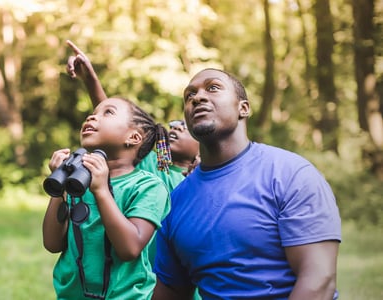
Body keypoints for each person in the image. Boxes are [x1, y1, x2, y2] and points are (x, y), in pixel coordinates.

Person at [152, 68, 342, 300]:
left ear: (244, 108)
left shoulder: (290, 174)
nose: (197, 97)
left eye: (213, 88)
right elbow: (170, 291)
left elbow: (318, 281)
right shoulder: (176, 201)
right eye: (189, 95)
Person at [42, 96, 172, 299]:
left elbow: (129, 248)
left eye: (108, 112)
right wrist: (58, 190)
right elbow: (52, 244)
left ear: (133, 138)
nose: (91, 118)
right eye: (92, 114)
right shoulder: (77, 183)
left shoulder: (148, 186)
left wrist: (101, 190)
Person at [65, 40, 199, 190]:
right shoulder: (154, 163)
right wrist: (90, 80)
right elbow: (115, 126)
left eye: (186, 127)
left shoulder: (199, 177)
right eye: (174, 125)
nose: (176, 128)